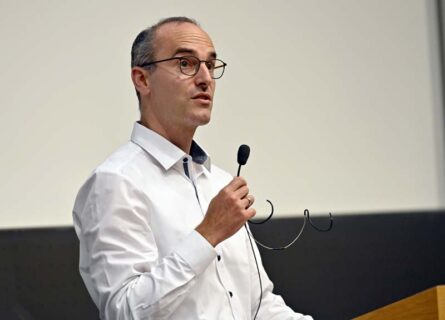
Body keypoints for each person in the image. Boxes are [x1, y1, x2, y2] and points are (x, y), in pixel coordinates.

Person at [73, 16, 313, 320]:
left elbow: (259, 305)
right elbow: (125, 311)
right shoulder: (115, 182)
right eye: (186, 63)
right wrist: (208, 234)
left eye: (210, 66)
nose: (205, 79)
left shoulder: (220, 182)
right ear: (142, 79)